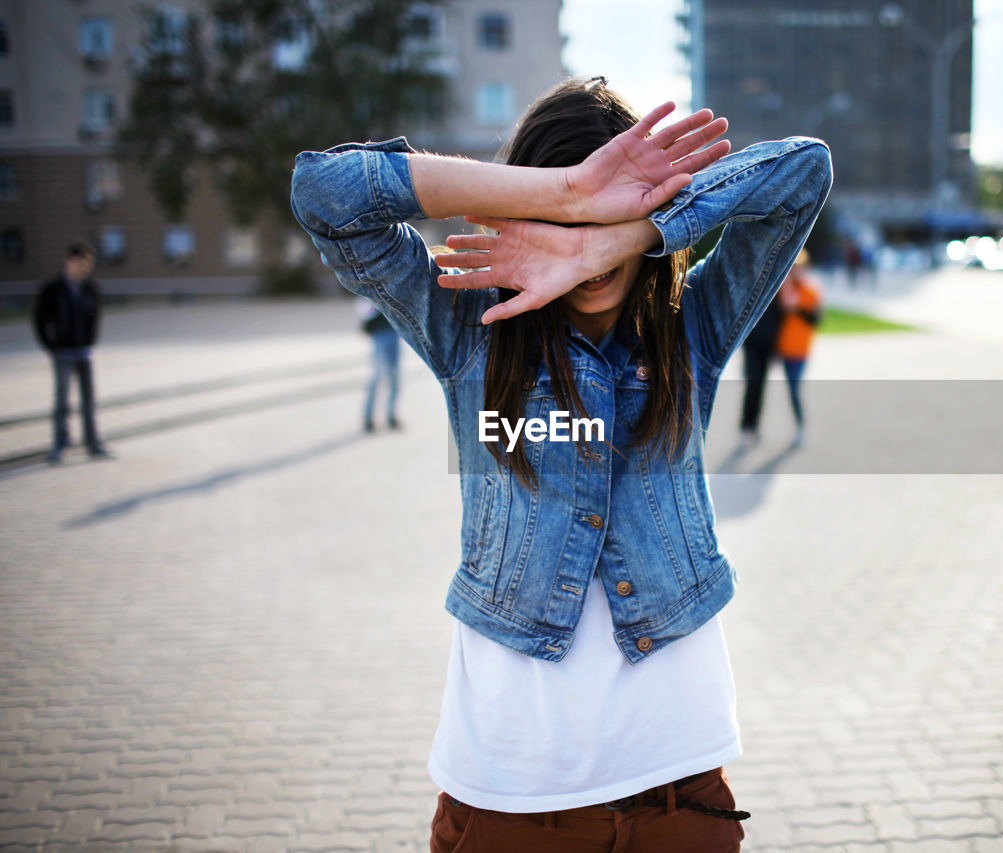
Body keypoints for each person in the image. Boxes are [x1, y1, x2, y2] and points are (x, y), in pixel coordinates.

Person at [291, 76, 832, 852]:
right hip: (510, 794)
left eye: (620, 204)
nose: (587, 229)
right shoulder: (467, 326)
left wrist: (622, 233)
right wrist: (570, 190)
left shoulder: (692, 331)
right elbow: (325, 192)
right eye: (566, 212)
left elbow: (802, 171)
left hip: (678, 788)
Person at [32, 242, 110, 463]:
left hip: (84, 352)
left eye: (89, 263)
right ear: (71, 260)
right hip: (63, 353)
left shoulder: (90, 288)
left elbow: (96, 315)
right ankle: (60, 444)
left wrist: (91, 340)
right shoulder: (53, 289)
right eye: (83, 262)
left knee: (89, 401)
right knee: (62, 401)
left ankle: (93, 443)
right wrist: (51, 345)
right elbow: (39, 319)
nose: (86, 267)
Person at [774, 249, 823, 447]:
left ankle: (802, 426)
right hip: (785, 348)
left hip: (801, 349)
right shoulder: (785, 289)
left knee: (794, 388)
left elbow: (815, 319)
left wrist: (797, 308)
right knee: (790, 388)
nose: (795, 271)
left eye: (799, 267)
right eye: (793, 267)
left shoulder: (809, 290)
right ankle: (799, 425)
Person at [736, 293, 781, 450]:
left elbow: (779, 319)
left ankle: (754, 426)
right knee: (753, 384)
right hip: (753, 344)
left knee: (761, 386)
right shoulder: (754, 290)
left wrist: (777, 351)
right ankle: (747, 426)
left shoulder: (777, 290)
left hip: (768, 345)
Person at [355, 297, 402, 432]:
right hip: (379, 333)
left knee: (395, 376)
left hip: (395, 330)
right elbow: (363, 308)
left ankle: (391, 415)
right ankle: (368, 417)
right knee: (377, 376)